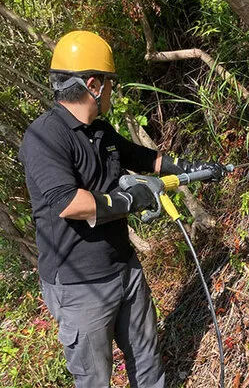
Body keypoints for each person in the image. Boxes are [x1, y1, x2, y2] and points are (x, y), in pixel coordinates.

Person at [19, 30, 224, 388]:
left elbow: (141, 156)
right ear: (94, 84)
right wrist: (131, 200)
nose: (112, 90)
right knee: (95, 379)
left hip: (124, 268)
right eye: (110, 83)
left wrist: (189, 167)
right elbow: (69, 203)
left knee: (146, 359)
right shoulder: (44, 138)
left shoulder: (99, 130)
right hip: (80, 287)